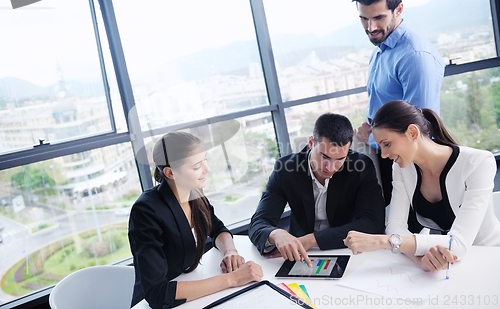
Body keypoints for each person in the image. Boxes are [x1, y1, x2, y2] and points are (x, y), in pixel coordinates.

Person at [344, 100, 500, 271]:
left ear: (412, 132)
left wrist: (380, 241)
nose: (384, 155)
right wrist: (418, 258)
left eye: (387, 144)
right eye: (381, 147)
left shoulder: (478, 162)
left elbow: (459, 244)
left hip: (489, 257)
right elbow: (395, 225)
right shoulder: (402, 168)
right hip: (447, 260)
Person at [129, 131, 262, 309]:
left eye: (205, 160)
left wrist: (230, 251)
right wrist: (232, 279)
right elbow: (157, 293)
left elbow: (217, 228)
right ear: (170, 172)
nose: (207, 169)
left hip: (192, 291)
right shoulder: (146, 211)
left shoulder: (194, 193)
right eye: (197, 166)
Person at [352, 0, 445, 208]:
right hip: (385, 150)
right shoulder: (381, 47)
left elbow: (419, 129)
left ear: (399, 9)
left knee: (410, 227)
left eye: (378, 17)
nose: (370, 27)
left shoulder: (415, 57)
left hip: (407, 158)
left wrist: (371, 138)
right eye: (364, 18)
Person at [248, 113, 385, 266]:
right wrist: (276, 233)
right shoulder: (286, 169)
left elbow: (373, 223)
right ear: (311, 143)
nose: (330, 167)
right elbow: (258, 223)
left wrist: (311, 239)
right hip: (301, 254)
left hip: (347, 250)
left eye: (340, 159)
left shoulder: (361, 167)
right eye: (325, 156)